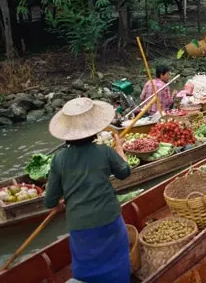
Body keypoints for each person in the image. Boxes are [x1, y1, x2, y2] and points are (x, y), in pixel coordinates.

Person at [45, 98, 132, 283]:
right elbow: (124, 172)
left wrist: (59, 204)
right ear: (94, 130)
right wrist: (119, 150)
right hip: (109, 218)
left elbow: (50, 201)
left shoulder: (59, 159)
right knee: (117, 260)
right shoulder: (104, 152)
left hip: (80, 225)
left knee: (86, 266)